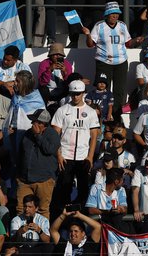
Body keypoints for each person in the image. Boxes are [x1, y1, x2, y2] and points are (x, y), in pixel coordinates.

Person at [82, 1, 144, 113]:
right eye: (112, 13)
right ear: (107, 14)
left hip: (121, 62)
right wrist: (88, 35)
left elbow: (128, 44)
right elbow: (90, 44)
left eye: (117, 13)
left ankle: (116, 115)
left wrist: (136, 40)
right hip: (103, 61)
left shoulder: (122, 25)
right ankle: (101, 114)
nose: (115, 16)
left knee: (119, 91)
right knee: (102, 89)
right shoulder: (99, 26)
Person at [51, 81, 100, 217]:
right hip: (65, 155)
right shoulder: (62, 110)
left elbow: (94, 136)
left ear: (83, 93)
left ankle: (80, 216)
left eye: (78, 94)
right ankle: (63, 216)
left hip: (83, 156)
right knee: (64, 187)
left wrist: (90, 157)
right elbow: (56, 135)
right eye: (73, 94)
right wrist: (59, 154)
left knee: (83, 188)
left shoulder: (90, 112)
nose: (75, 97)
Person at [16, 109, 60, 219]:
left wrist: (38, 136)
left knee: (42, 210)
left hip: (44, 180)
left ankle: (42, 235)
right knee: (21, 209)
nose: (32, 123)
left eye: (34, 121)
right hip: (24, 180)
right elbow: (21, 154)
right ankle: (20, 234)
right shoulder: (27, 134)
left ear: (42, 123)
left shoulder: (52, 134)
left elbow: (49, 149)